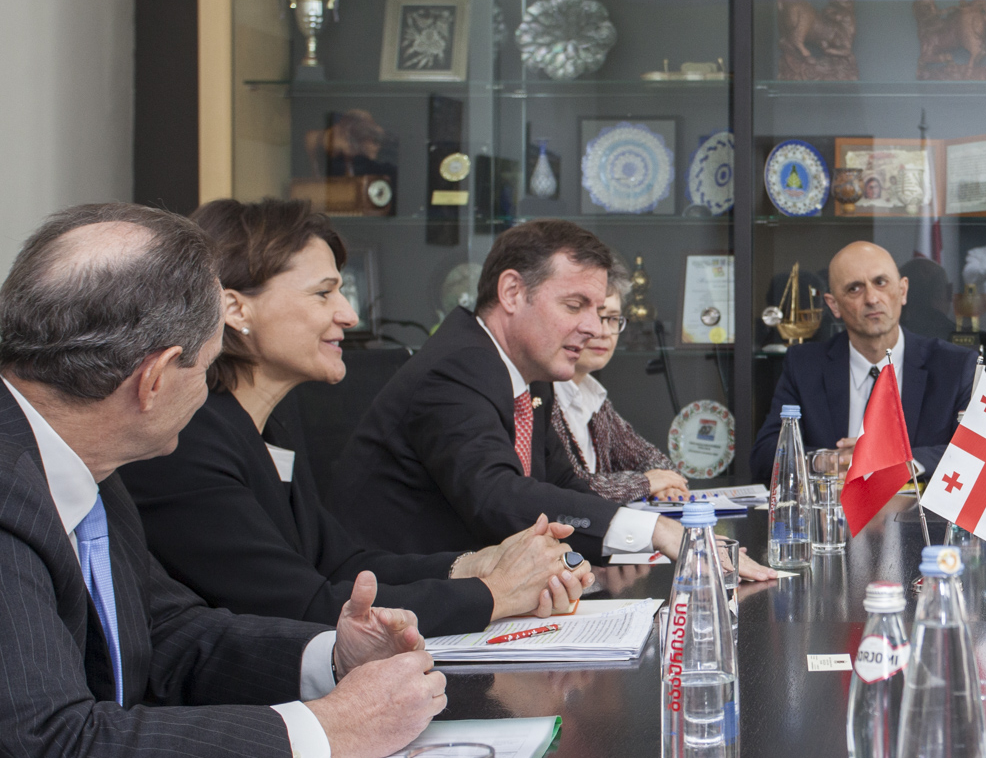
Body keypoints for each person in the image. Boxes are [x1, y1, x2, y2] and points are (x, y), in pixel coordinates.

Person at [0, 204, 443, 758]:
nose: (212, 391)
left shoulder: (84, 460)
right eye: (207, 368)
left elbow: (167, 634)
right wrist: (328, 730)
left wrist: (332, 658)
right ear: (154, 380)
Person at [121, 200, 589, 636]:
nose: (348, 314)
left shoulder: (264, 427)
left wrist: (480, 564)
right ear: (236, 308)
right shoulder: (186, 443)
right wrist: (495, 594)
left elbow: (341, 565)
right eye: (323, 293)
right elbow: (303, 606)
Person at [330, 219, 773, 578]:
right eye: (575, 305)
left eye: (599, 311)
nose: (594, 328)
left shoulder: (529, 372)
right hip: (391, 609)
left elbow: (564, 486)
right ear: (512, 292)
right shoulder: (458, 366)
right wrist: (656, 530)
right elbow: (497, 496)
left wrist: (632, 542)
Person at [749, 240, 977, 476]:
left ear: (903, 291)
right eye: (854, 289)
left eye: (880, 282)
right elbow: (765, 454)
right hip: (836, 499)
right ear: (834, 305)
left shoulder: (956, 367)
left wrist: (894, 460)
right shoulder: (804, 366)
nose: (872, 298)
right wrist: (828, 461)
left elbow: (980, 452)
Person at [551, 280, 691, 505]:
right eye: (596, 316)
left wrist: (667, 486)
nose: (604, 332)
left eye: (613, 318)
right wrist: (645, 483)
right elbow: (566, 488)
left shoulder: (594, 397)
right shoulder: (540, 397)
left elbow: (653, 461)